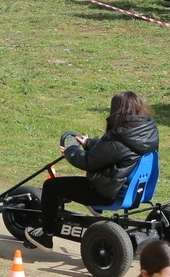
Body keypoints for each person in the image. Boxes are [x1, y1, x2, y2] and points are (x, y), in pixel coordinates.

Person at [23, 91, 159, 250]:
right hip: (133, 190)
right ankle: (95, 208)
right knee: (66, 186)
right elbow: (111, 151)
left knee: (51, 187)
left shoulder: (118, 138)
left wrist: (71, 151)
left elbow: (88, 161)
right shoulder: (146, 132)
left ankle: (46, 236)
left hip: (106, 193)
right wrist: (88, 143)